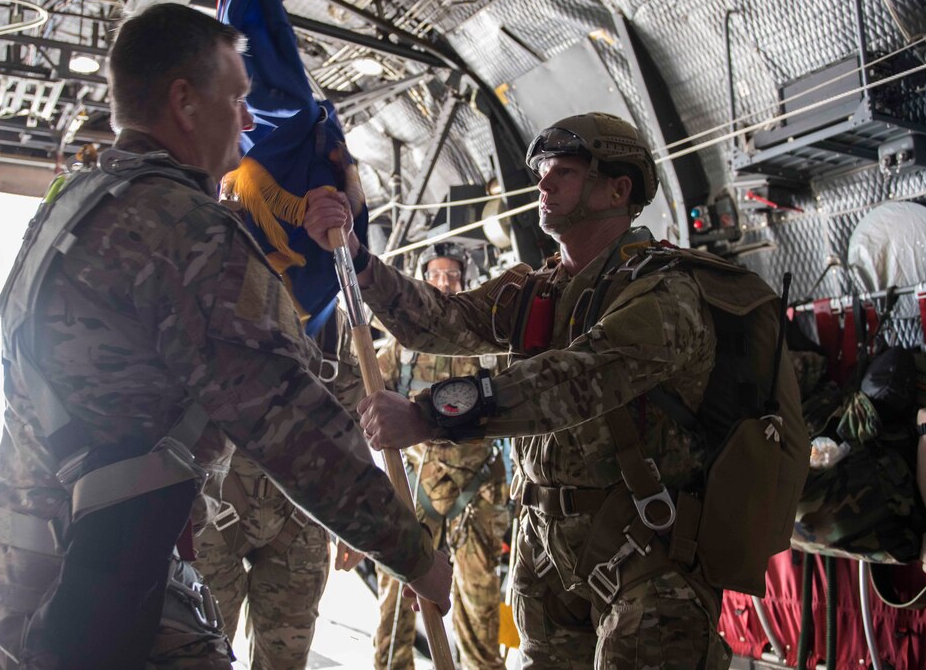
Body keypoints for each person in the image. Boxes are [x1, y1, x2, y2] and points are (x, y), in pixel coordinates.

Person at [0, 2, 450, 670]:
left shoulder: (71, 205)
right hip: (104, 584)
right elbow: (289, 425)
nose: (247, 120)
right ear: (185, 102)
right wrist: (413, 555)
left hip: (20, 570)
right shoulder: (187, 230)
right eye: (237, 98)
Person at [304, 112, 733, 669]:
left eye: (565, 171)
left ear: (617, 189)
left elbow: (571, 381)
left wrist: (429, 415)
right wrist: (359, 262)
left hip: (644, 557)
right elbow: (443, 322)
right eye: (541, 171)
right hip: (547, 555)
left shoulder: (665, 294)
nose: (543, 183)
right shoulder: (538, 290)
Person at [193, 309, 365, 668]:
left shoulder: (335, 329)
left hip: (301, 518)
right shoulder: (211, 298)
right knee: (196, 653)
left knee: (285, 660)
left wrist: (356, 513)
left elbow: (352, 427)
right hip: (213, 510)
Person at [372, 242, 510, 670]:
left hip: (478, 489)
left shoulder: (488, 345)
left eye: (452, 275)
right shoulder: (402, 349)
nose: (445, 282)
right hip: (417, 487)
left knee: (479, 602)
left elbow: (521, 402)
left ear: (464, 282)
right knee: (396, 601)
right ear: (423, 280)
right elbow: (366, 392)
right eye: (435, 275)